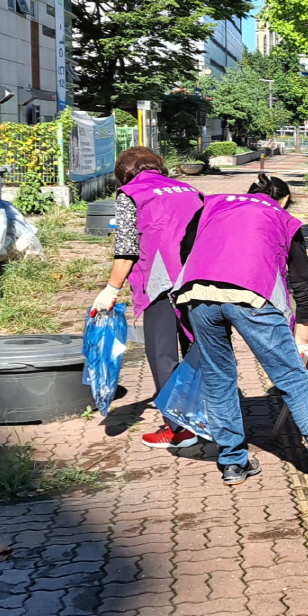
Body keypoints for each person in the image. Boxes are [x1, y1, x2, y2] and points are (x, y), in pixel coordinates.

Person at [176, 174, 308, 489]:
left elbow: (184, 248)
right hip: (251, 295)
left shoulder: (212, 205)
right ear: (283, 199)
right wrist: (303, 339)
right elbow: (302, 283)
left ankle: (233, 463)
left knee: (218, 380)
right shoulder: (282, 217)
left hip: (197, 295)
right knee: (294, 381)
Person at [87, 148, 204, 450]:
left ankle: (178, 429)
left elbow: (127, 248)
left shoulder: (132, 193)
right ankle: (211, 418)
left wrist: (111, 289)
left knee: (162, 353)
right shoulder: (190, 189)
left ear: (124, 174)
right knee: (200, 347)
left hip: (161, 280)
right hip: (199, 275)